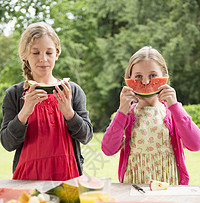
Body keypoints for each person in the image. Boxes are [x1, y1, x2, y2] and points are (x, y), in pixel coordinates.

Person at [0, 22, 93, 180]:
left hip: (68, 176)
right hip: (27, 179)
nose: (43, 59)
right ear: (25, 55)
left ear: (57, 54)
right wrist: (24, 113)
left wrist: (69, 114)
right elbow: (8, 144)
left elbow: (86, 136)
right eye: (35, 53)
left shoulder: (73, 90)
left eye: (49, 53)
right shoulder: (14, 94)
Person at [101, 46, 200, 185]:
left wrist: (175, 106)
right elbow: (108, 149)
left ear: (164, 76)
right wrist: (122, 110)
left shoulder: (172, 113)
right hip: (134, 186)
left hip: (169, 187)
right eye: (138, 77)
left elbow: (196, 144)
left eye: (153, 75)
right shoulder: (126, 115)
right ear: (129, 79)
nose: (146, 82)